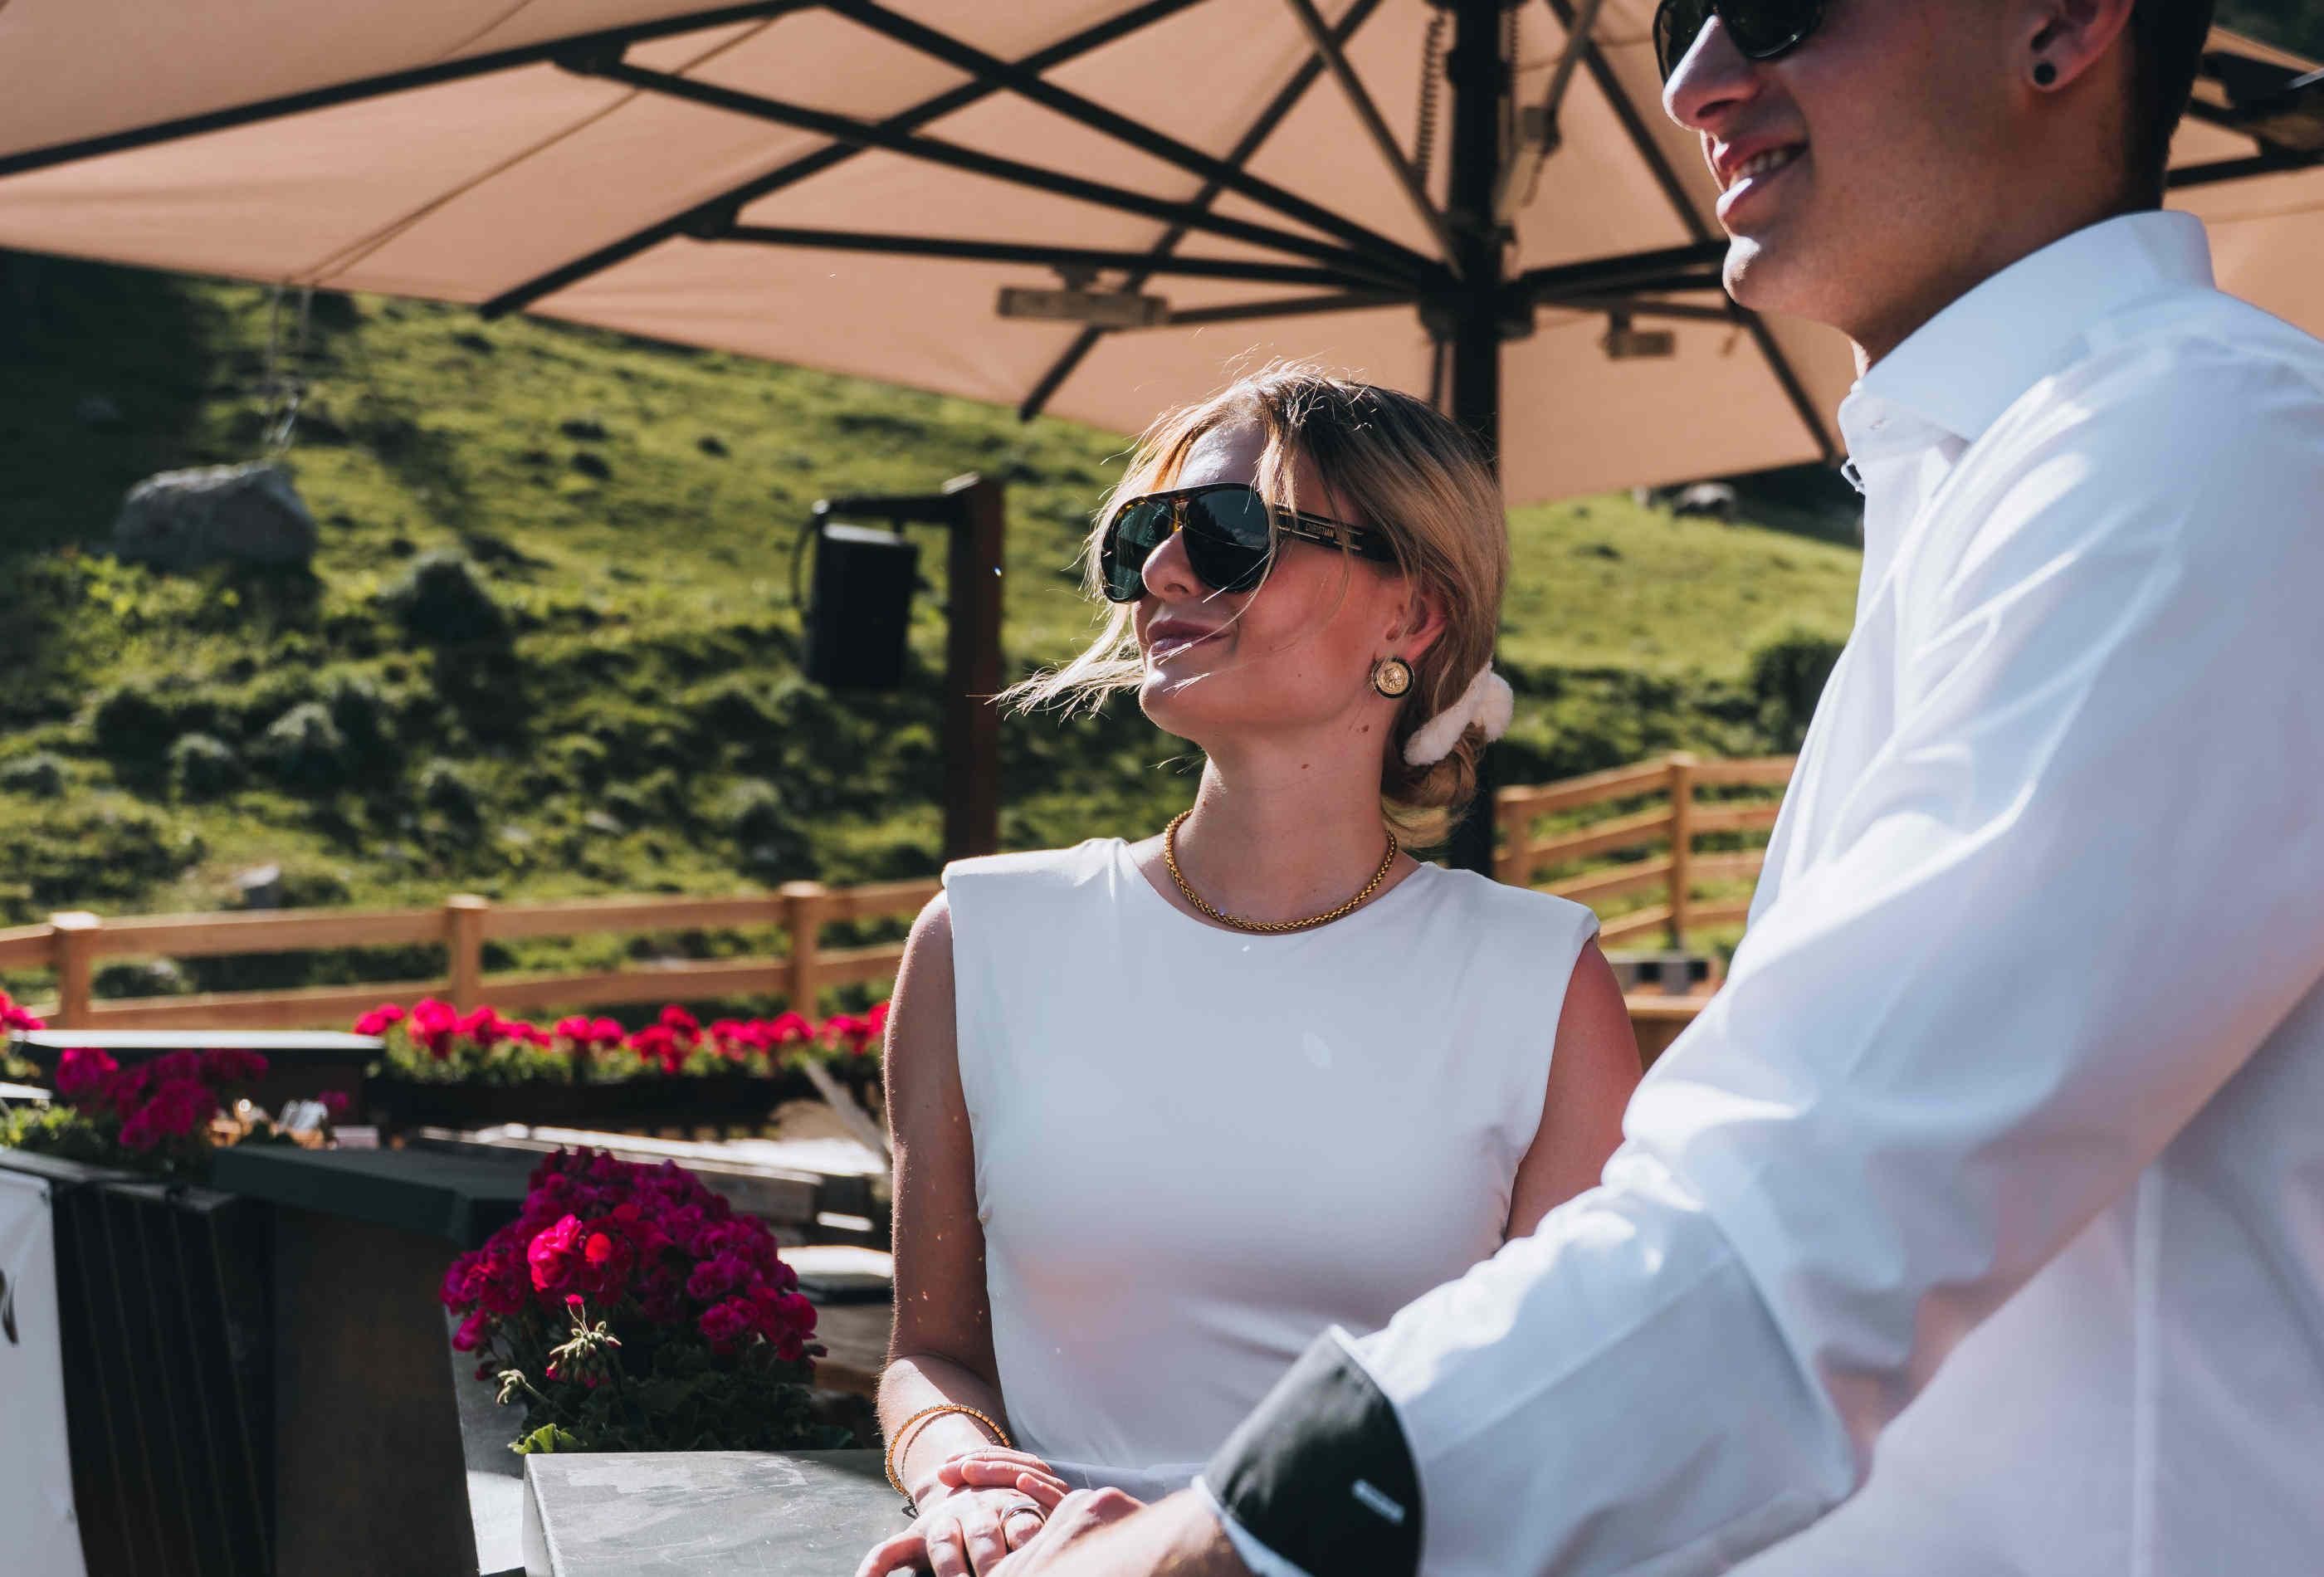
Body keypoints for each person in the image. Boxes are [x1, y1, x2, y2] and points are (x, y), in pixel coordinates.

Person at [983, 0, 2324, 1572]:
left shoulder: (2192, 449)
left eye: (1777, 5)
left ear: (2063, 20)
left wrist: (1213, 1546)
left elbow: (1791, 1225)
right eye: (1683, 16)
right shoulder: (2019, 473)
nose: (1695, 82)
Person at [855, 369, 1643, 1577]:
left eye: (1231, 534)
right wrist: (964, 1478)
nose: (1167, 574)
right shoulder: (978, 941)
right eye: (1143, 537)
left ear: (1412, 616)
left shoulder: (1543, 981)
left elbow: (1562, 1414)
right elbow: (933, 1356)